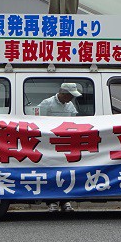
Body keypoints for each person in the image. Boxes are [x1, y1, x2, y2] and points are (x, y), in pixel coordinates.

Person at [38, 83, 82, 212]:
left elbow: (74, 122)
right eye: (70, 95)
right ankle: (51, 202)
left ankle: (65, 201)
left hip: (66, 143)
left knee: (66, 172)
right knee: (51, 172)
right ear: (63, 93)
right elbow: (38, 121)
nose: (71, 98)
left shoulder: (70, 105)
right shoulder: (47, 103)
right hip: (50, 143)